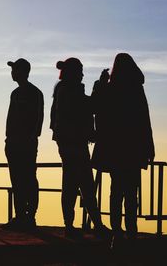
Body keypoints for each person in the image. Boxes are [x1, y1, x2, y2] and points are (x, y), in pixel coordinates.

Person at [91, 53, 155, 245]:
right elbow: (145, 120)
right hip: (134, 148)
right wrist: (149, 147)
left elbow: (95, 108)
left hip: (115, 148)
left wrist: (100, 85)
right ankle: (131, 233)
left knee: (116, 191)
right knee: (131, 192)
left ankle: (117, 233)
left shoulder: (110, 89)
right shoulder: (136, 89)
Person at [50, 57, 110, 239]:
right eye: (80, 71)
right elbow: (90, 106)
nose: (83, 74)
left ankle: (76, 224)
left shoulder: (63, 90)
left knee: (75, 184)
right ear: (74, 73)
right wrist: (99, 86)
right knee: (81, 185)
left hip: (69, 143)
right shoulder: (70, 91)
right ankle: (88, 225)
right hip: (74, 143)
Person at [2, 58, 44, 231]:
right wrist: (8, 139)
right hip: (13, 143)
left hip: (26, 144)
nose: (12, 73)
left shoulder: (34, 93)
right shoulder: (15, 93)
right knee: (16, 180)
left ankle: (30, 216)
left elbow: (38, 119)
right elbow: (11, 118)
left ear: (24, 72)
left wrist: (30, 138)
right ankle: (20, 216)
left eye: (15, 70)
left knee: (28, 179)